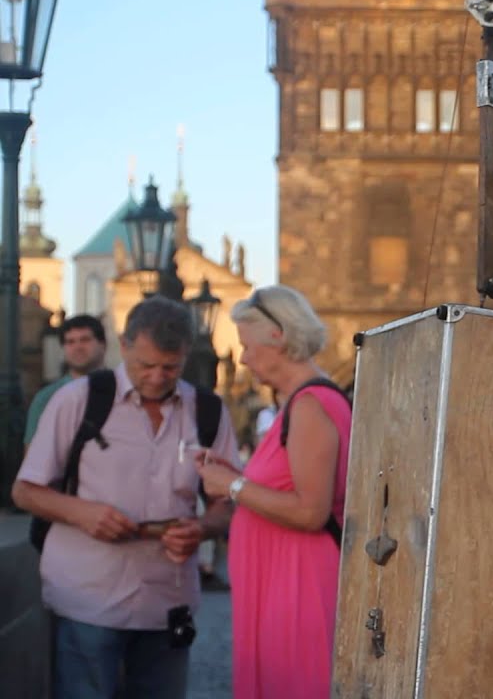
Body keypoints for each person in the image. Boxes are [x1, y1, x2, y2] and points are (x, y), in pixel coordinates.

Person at [13, 296, 239, 699]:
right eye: (145, 365)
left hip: (166, 603)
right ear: (124, 344)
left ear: (186, 354)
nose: (156, 377)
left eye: (170, 367)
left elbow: (227, 501)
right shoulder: (78, 400)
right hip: (87, 601)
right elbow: (25, 490)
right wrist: (82, 513)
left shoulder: (207, 410)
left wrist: (203, 528)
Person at [196, 285, 352, 699]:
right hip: (283, 583)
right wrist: (236, 477)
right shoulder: (300, 403)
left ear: (277, 336)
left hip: (299, 585)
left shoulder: (310, 404)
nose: (243, 359)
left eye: (247, 346)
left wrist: (232, 485)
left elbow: (310, 511)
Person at [24, 314, 108, 448]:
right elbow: (32, 453)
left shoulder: (123, 391)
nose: (78, 347)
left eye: (85, 340)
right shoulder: (47, 398)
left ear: (103, 344)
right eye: (70, 342)